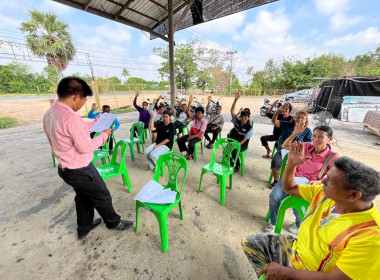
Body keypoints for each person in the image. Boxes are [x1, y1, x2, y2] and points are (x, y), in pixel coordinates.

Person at [242, 142, 380, 280]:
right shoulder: (324, 194)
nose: (322, 181)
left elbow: (336, 279)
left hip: (313, 273)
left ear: (353, 195)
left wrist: (284, 272)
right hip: (299, 250)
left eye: (329, 180)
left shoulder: (369, 236)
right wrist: (291, 164)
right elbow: (289, 188)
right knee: (250, 244)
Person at [43, 77, 133, 240]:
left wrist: (94, 122)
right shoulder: (71, 118)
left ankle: (84, 227)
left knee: (83, 196)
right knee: (102, 195)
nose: (83, 103)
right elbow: (85, 146)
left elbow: (68, 131)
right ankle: (113, 222)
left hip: (65, 168)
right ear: (76, 97)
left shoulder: (51, 113)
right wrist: (104, 135)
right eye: (83, 99)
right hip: (80, 169)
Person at [267, 125, 339, 233]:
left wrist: (318, 182)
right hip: (290, 178)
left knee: (299, 205)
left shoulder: (332, 156)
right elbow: (284, 145)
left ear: (330, 139)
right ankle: (274, 222)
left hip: (308, 184)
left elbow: (333, 177)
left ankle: (298, 224)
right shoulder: (305, 146)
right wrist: (295, 133)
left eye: (320, 137)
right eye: (314, 136)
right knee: (275, 197)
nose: (315, 139)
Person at [269, 107, 312, 188]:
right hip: (283, 150)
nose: (299, 119)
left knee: (300, 168)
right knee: (275, 162)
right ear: (294, 118)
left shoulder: (308, 131)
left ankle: (291, 183)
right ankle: (276, 181)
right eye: (297, 117)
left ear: (306, 120)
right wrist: (278, 112)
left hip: (297, 152)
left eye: (302, 118)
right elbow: (274, 121)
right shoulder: (286, 125)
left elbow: (308, 145)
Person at [177, 94, 207, 160]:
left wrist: (191, 137)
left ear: (202, 114)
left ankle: (189, 154)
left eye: (199, 113)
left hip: (198, 137)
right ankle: (188, 152)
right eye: (197, 113)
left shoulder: (204, 121)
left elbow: (200, 132)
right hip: (191, 134)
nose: (198, 114)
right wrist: (190, 102)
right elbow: (188, 112)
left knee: (191, 144)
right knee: (179, 140)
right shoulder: (195, 117)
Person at [229, 92, 253, 172]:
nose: (243, 119)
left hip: (242, 144)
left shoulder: (250, 127)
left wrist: (236, 145)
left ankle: (237, 165)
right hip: (233, 141)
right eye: (242, 117)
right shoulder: (237, 121)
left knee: (234, 150)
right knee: (226, 150)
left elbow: (245, 139)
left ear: (248, 117)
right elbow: (232, 111)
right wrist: (235, 100)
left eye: (245, 117)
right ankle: (231, 161)